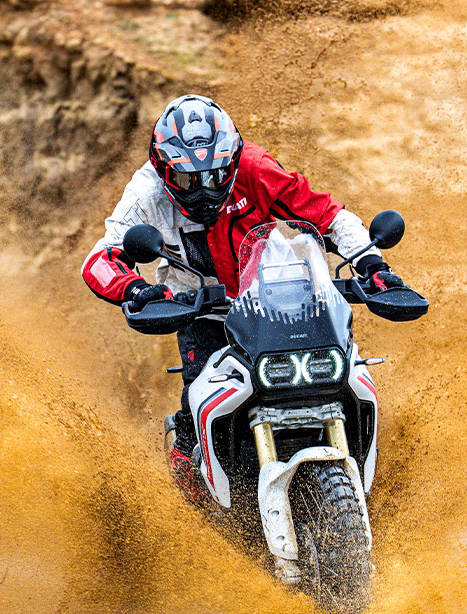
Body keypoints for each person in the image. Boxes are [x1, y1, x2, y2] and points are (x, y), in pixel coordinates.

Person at [80, 94, 404, 504]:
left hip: (277, 296)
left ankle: (366, 475)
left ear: (232, 161)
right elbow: (100, 259)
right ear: (164, 171)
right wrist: (136, 289)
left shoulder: (255, 167)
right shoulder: (146, 192)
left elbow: (327, 215)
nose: (204, 190)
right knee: (195, 397)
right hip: (201, 309)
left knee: (343, 368)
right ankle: (189, 472)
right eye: (188, 180)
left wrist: (372, 264)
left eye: (216, 176)